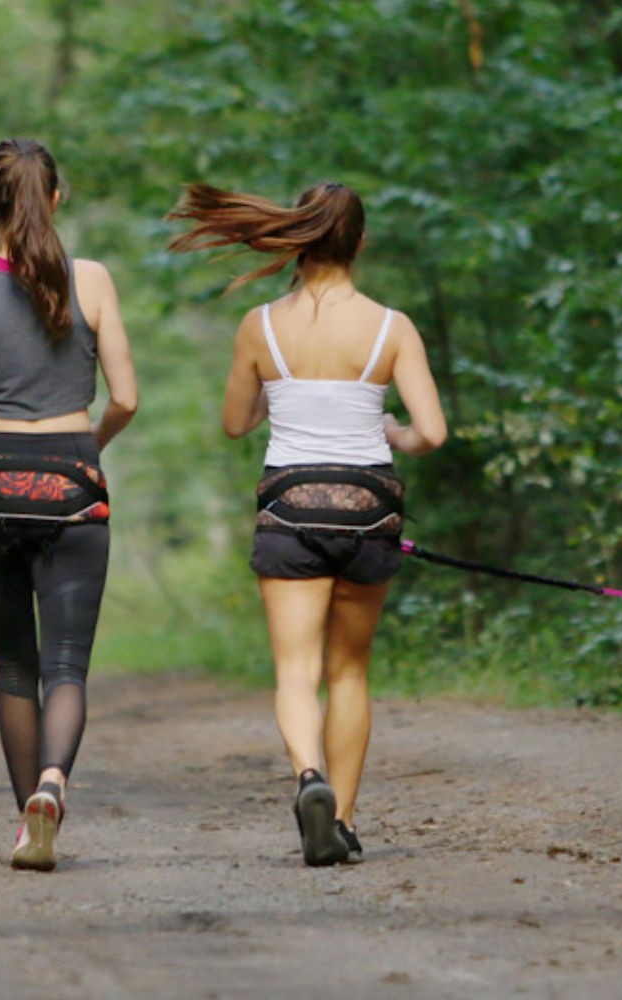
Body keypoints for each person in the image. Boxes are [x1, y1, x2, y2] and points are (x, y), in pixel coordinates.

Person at [167, 180, 447, 867]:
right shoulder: (392, 326)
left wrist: (274, 402)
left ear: (298, 237)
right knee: (349, 671)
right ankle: (343, 820)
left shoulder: (261, 326)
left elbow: (236, 424)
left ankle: (308, 779)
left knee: (296, 672)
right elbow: (432, 434)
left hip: (290, 507)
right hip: (368, 507)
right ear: (358, 242)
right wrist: (393, 431)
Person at [0, 138, 139, 872]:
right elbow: (128, 398)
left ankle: (26, 826)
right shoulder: (96, 281)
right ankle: (54, 783)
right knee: (66, 666)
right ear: (58, 198)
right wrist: (88, 451)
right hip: (73, 477)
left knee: (16, 668)